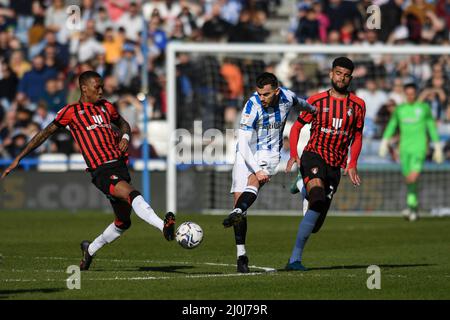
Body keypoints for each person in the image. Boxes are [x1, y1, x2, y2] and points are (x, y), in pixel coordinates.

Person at [1, 71, 176, 270]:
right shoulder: (71, 112)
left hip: (119, 165)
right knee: (131, 193)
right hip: (101, 170)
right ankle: (163, 227)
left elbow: (124, 124)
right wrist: (18, 157)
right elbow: (44, 134)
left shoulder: (106, 107)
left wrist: (125, 138)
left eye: (102, 86)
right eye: (97, 87)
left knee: (123, 222)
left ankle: (89, 250)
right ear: (84, 88)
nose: (101, 91)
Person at [223, 72, 316, 273]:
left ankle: (238, 211)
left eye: (266, 94)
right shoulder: (252, 105)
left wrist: (317, 112)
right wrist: (255, 168)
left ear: (276, 90)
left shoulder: (287, 97)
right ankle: (241, 256)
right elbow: (243, 144)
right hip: (246, 152)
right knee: (240, 201)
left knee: (252, 184)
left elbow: (305, 105)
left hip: (270, 153)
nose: (262, 98)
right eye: (260, 94)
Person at [285, 57, 366, 271]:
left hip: (335, 164)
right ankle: (294, 260)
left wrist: (352, 162)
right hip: (314, 155)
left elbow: (357, 136)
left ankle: (303, 186)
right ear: (331, 74)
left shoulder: (358, 105)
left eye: (346, 74)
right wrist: (294, 154)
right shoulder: (316, 101)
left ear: (350, 77)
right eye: (338, 73)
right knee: (318, 197)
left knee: (316, 224)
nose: (342, 78)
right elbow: (296, 129)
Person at [379, 83, 443, 222]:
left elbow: (431, 126)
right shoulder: (400, 110)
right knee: (409, 180)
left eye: (412, 94)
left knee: (412, 178)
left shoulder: (424, 108)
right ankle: (412, 208)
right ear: (404, 94)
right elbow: (392, 125)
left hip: (419, 149)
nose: (410, 96)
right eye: (407, 94)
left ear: (416, 94)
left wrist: (437, 145)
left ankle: (411, 206)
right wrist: (384, 141)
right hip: (404, 150)